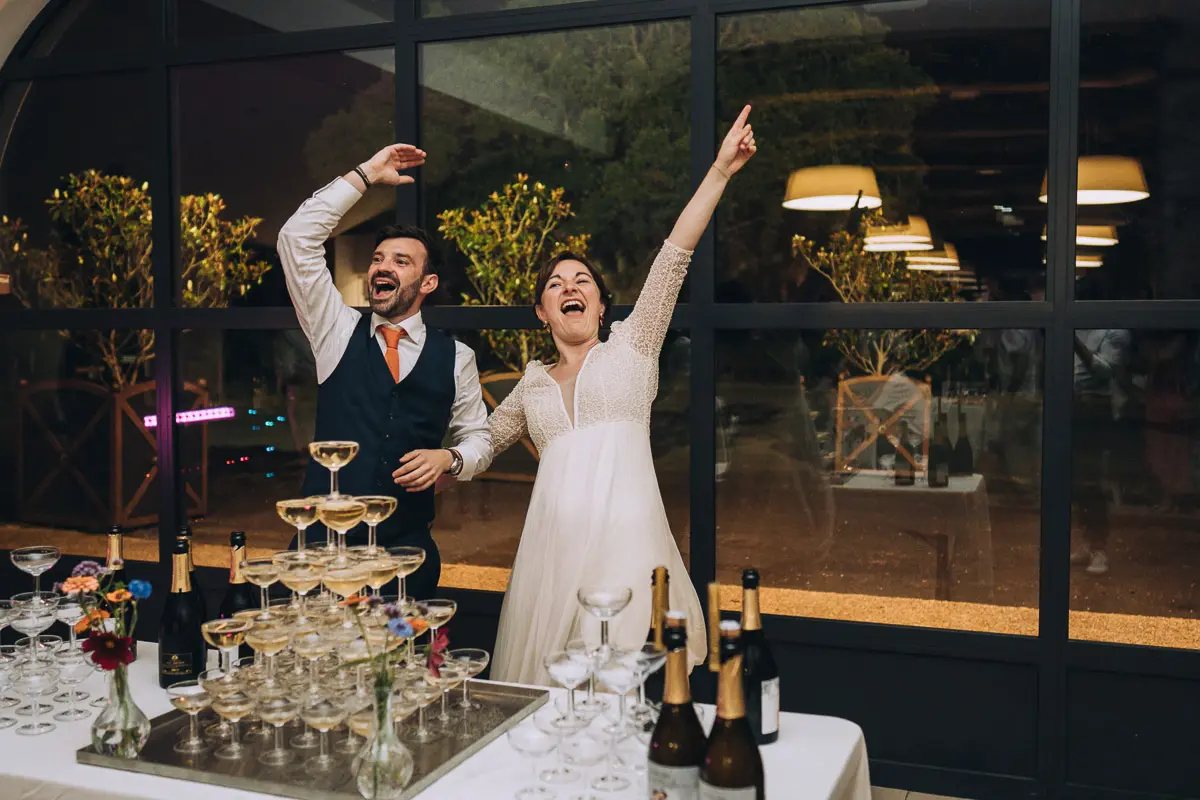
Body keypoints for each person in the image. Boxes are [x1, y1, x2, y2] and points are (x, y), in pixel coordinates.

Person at [486, 107, 757, 684]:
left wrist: (719, 172)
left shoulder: (634, 345)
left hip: (627, 552)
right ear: (542, 312)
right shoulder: (531, 383)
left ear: (602, 304)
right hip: (550, 564)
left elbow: (674, 255)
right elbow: (484, 443)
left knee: (622, 688)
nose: (570, 287)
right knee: (549, 695)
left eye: (581, 280)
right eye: (556, 284)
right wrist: (446, 459)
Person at [276, 144, 492, 600]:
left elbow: (479, 438)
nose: (382, 267)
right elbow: (296, 239)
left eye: (400, 261)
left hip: (406, 557)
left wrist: (449, 459)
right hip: (323, 554)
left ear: (427, 283)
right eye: (377, 259)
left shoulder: (457, 357)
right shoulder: (335, 330)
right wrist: (366, 175)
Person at [1071, 328, 1131, 576]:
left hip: (1095, 408)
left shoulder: (1114, 329)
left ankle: (1099, 548)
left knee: (1092, 478)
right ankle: (1087, 540)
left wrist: (1072, 341)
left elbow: (1104, 371)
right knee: (1074, 479)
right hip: (1070, 403)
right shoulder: (1077, 324)